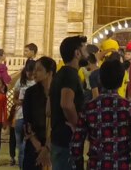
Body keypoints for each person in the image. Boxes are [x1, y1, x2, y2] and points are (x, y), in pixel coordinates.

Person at [70, 58, 131, 170]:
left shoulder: (89, 108)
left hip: (97, 165)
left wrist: (78, 166)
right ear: (122, 80)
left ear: (100, 79)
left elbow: (76, 144)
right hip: (124, 165)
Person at [50, 36, 86, 170]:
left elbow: (49, 109)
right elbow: (66, 103)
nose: (87, 53)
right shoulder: (70, 74)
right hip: (66, 139)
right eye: (85, 49)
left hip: (59, 138)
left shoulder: (61, 74)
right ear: (77, 53)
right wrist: (77, 125)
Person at [23, 57, 57, 170]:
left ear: (49, 73)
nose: (34, 72)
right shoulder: (30, 93)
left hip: (54, 144)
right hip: (34, 144)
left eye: (39, 70)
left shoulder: (58, 93)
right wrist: (36, 144)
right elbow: (27, 120)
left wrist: (47, 148)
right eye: (34, 69)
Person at [11, 62, 37, 169]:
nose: (30, 74)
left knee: (30, 146)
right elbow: (14, 99)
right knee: (20, 148)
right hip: (20, 116)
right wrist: (20, 102)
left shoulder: (37, 83)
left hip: (32, 118)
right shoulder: (20, 82)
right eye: (28, 71)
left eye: (31, 71)